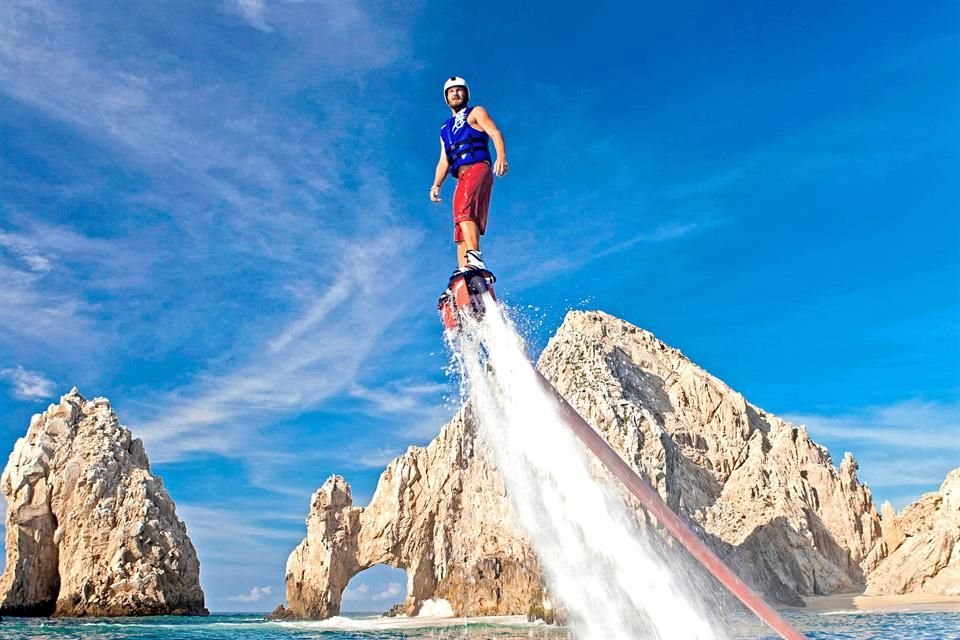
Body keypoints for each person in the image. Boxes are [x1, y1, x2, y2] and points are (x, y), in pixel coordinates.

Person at [430, 76, 508, 274]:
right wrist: (436, 185)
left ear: (466, 94)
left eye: (459, 90)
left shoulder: (476, 112)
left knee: (465, 211)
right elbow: (444, 161)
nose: (455, 94)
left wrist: (501, 157)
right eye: (451, 91)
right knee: (460, 221)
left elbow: (495, 133)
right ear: (446, 98)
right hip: (461, 177)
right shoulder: (444, 129)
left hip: (478, 167)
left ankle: (474, 257)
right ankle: (465, 270)